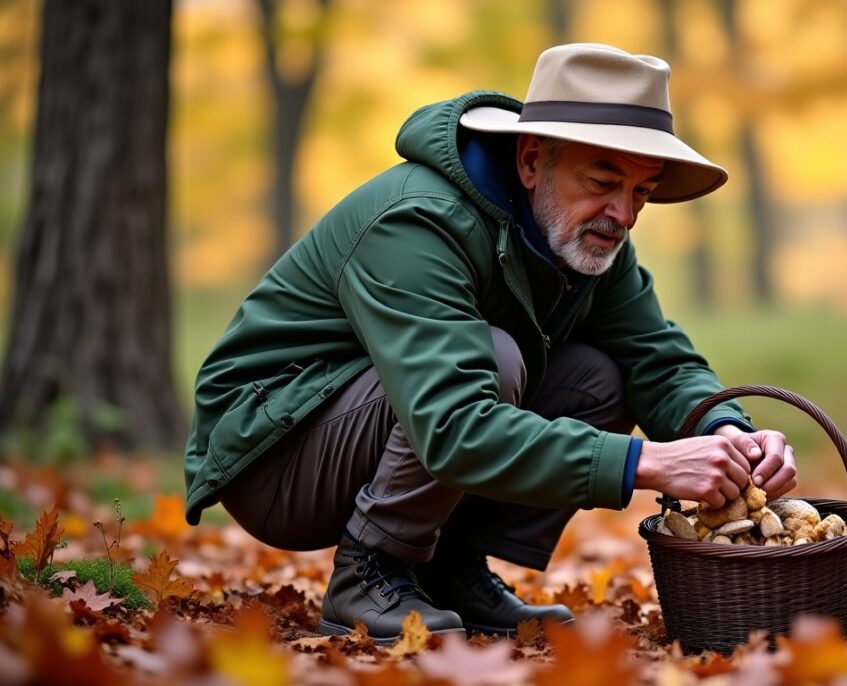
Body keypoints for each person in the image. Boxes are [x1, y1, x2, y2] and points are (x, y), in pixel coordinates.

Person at [182, 43, 797, 642]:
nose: (625, 212)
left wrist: (724, 430)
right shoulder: (417, 222)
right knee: (495, 357)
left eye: (642, 189)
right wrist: (646, 463)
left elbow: (655, 358)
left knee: (600, 374)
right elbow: (452, 423)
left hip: (385, 423)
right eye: (604, 178)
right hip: (276, 457)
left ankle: (447, 569)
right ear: (531, 160)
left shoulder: (590, 239)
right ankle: (369, 573)